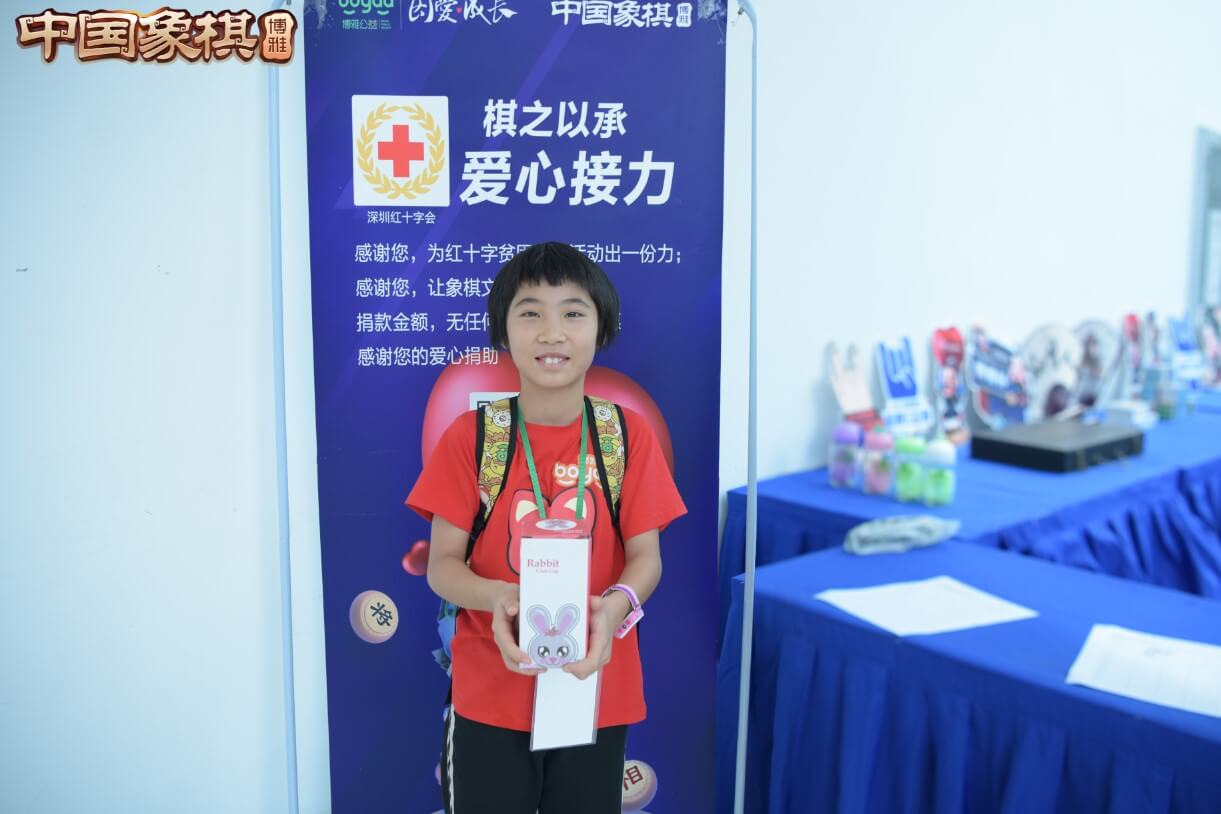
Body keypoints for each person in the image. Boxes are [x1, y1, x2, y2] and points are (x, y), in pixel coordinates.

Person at [407, 242, 685, 814]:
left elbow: (647, 558)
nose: (552, 332)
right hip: (491, 691)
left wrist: (614, 607)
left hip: (593, 685)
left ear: (601, 328)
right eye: (530, 312)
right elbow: (442, 568)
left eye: (573, 313)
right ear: (503, 330)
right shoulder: (473, 437)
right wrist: (499, 598)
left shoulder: (625, 435)